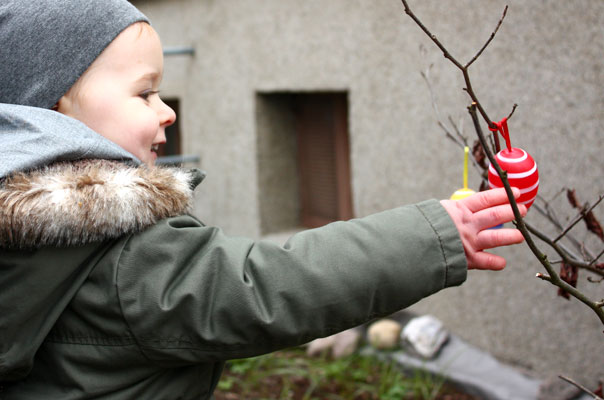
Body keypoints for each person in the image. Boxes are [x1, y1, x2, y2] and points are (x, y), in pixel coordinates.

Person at [0, 1, 526, 398]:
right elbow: (270, 285)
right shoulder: (120, 263)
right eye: (145, 93)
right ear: (55, 112)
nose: (168, 112)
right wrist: (433, 234)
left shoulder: (26, 238)